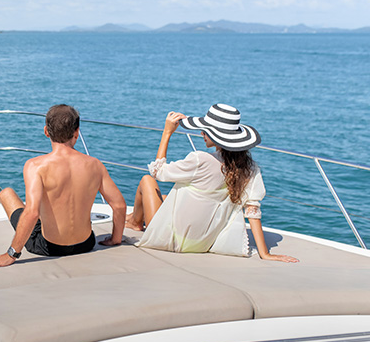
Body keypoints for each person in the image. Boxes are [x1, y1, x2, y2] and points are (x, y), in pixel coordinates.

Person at [126, 104, 298, 262]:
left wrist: (167, 133)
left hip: (173, 240)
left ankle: (134, 222)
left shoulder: (200, 160)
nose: (201, 133)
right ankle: (133, 218)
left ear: (218, 137)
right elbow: (253, 211)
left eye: (205, 130)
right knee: (164, 196)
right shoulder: (249, 168)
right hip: (203, 243)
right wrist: (265, 254)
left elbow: (158, 172)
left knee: (147, 181)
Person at [0, 104, 127, 269]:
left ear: (46, 131)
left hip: (49, 247)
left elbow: (32, 213)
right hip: (85, 244)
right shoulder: (95, 165)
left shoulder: (35, 166)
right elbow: (119, 205)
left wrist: (11, 254)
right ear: (77, 132)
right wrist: (116, 239)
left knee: (6, 193)